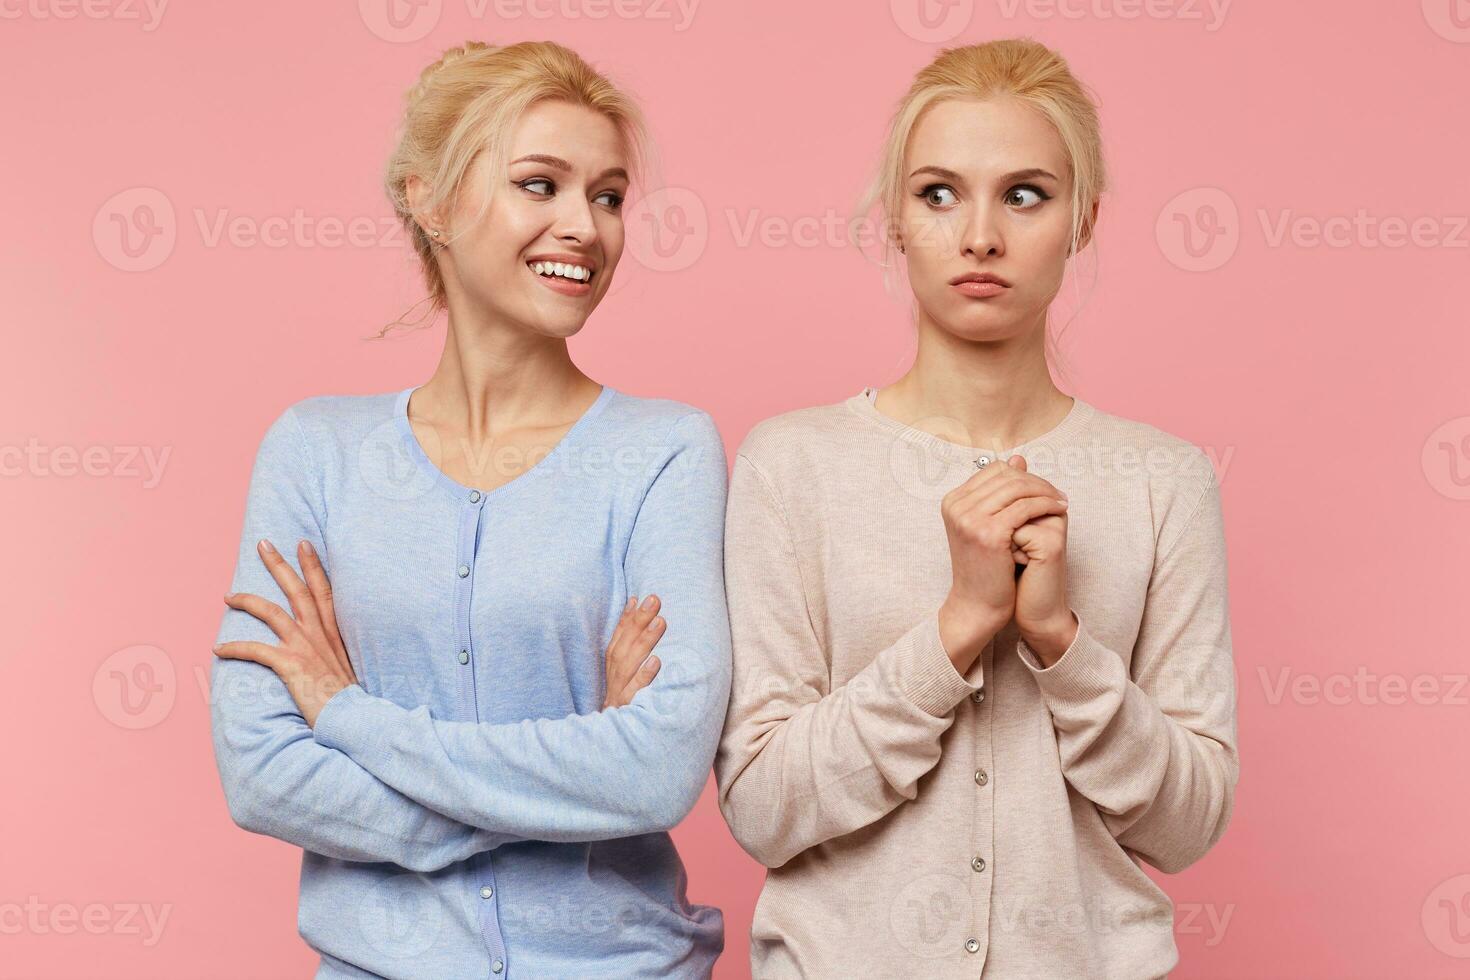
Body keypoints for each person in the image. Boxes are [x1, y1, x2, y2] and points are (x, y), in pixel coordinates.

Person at [714, 38, 1239, 978]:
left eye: (1025, 194)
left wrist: (1061, 645)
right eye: (939, 193)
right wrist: (955, 631)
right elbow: (764, 807)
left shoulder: (1165, 479)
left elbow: (1190, 824)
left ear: (1082, 221)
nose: (981, 236)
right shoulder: (792, 465)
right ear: (894, 221)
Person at [210, 40, 730, 979]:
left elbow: (656, 773)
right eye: (542, 185)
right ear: (431, 199)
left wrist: (347, 714)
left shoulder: (665, 452)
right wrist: (571, 782)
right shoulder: (317, 452)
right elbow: (261, 773)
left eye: (608, 196)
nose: (586, 225)